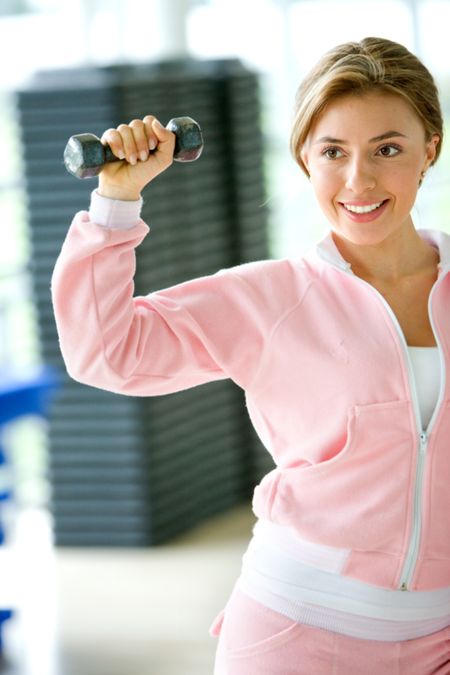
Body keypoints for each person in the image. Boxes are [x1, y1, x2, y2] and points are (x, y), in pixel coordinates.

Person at [51, 36, 450, 674]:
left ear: (429, 149)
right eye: (333, 152)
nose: (359, 180)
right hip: (297, 631)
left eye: (388, 149)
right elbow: (107, 351)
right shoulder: (270, 298)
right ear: (304, 160)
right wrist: (116, 202)